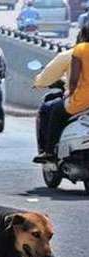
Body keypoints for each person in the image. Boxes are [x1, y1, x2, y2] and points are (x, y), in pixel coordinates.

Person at [35, 26, 89, 162]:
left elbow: (73, 79)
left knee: (55, 111)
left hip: (82, 99)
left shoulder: (75, 52)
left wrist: (70, 92)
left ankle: (49, 152)